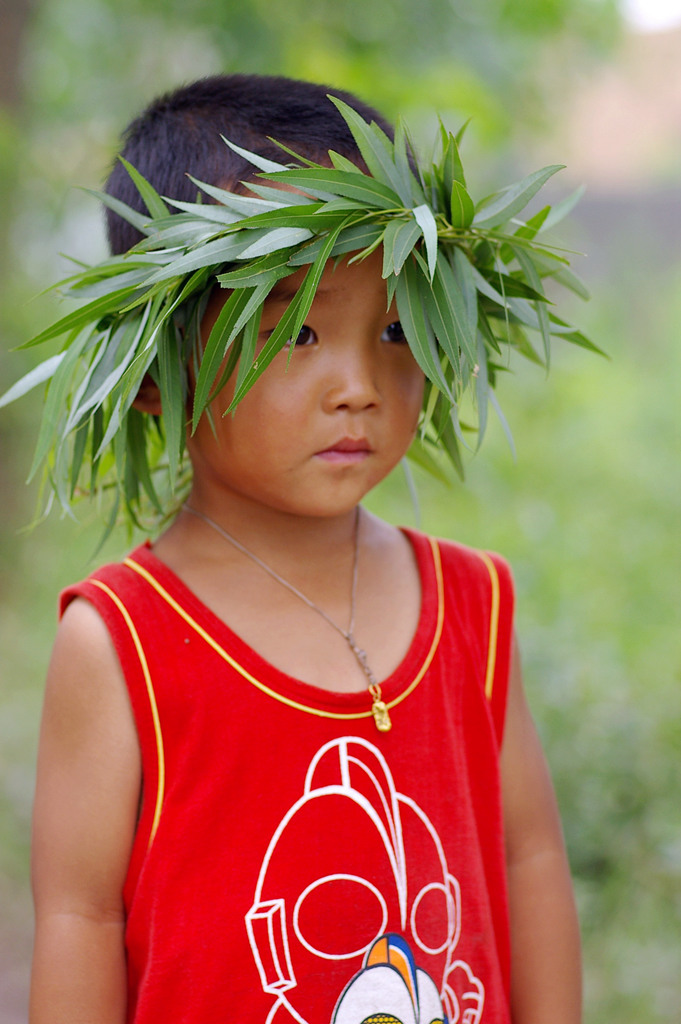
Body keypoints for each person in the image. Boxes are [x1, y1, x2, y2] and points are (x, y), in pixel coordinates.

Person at [27, 75, 582, 1024]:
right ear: (153, 371)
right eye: (297, 329)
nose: (360, 383)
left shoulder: (472, 606)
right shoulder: (124, 643)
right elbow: (77, 917)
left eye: (398, 328)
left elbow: (525, 854)